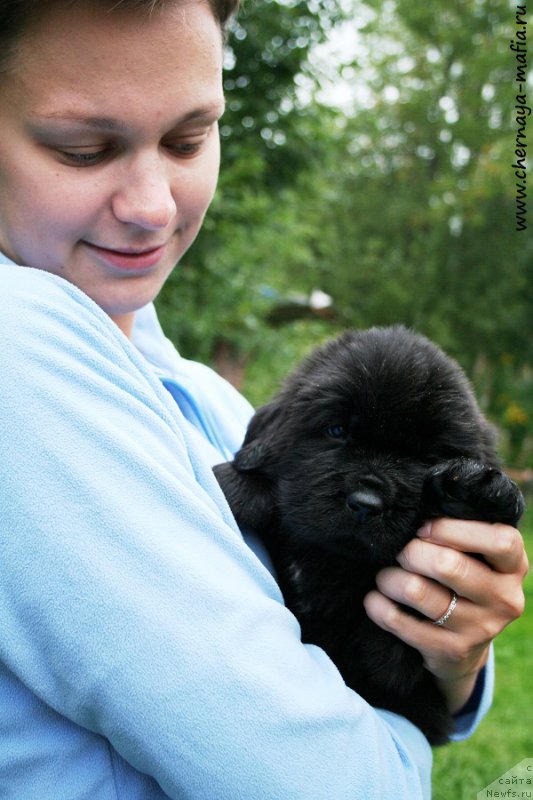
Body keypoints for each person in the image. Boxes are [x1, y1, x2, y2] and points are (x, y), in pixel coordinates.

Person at [0, 1, 528, 798]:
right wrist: (402, 746)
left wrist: (452, 656)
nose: (152, 206)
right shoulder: (18, 342)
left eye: (188, 138)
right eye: (84, 151)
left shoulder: (204, 396)